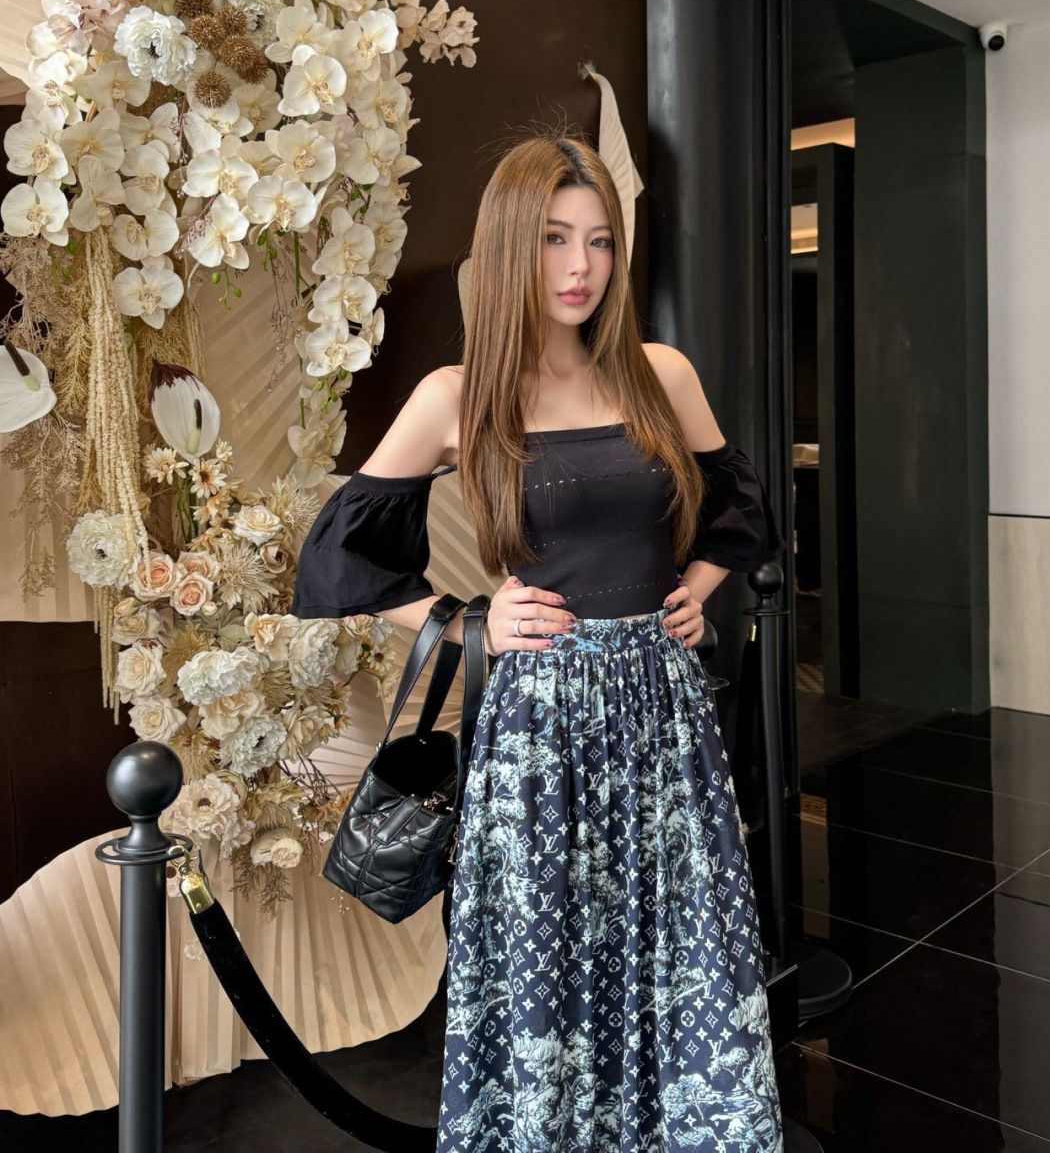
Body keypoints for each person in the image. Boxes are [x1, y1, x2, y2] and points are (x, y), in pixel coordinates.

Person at [292, 134, 785, 1151]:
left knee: (683, 938)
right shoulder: (457, 395)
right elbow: (340, 557)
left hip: (662, 710)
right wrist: (467, 619)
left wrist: (693, 591)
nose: (580, 266)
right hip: (538, 722)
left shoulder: (659, 374)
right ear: (513, 244)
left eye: (600, 242)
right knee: (548, 953)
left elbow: (741, 509)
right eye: (556, 238)